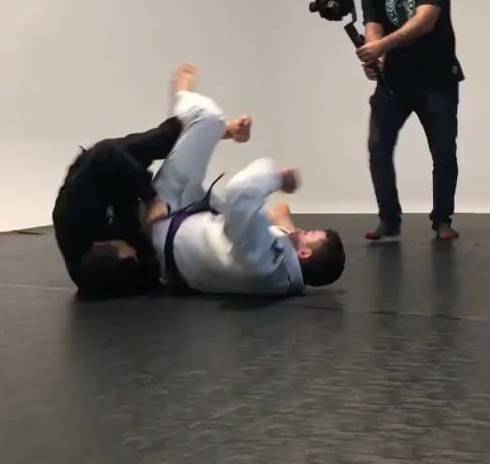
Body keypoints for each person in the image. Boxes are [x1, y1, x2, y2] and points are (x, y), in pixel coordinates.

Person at [52, 69, 253, 298]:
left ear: (108, 245)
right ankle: (211, 129)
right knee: (225, 221)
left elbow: (104, 153)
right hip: (129, 215)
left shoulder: (74, 212)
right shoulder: (112, 276)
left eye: (130, 251)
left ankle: (187, 94)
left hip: (107, 171)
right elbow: (151, 272)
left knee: (176, 133)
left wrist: (151, 199)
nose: (134, 252)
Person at [147, 64, 345, 296]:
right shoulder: (280, 274)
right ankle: (226, 131)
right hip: (190, 217)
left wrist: (280, 177)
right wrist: (285, 226)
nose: (302, 230)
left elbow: (240, 191)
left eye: (308, 234)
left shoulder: (262, 260)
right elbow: (279, 214)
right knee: (210, 131)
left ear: (304, 254)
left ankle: (187, 96)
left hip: (165, 217)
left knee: (207, 117)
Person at [356, 0, 464, 242]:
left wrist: (381, 46)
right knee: (378, 148)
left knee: (443, 152)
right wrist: (374, 54)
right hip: (395, 82)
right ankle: (389, 220)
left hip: (437, 78)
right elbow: (373, 26)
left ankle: (442, 220)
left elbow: (425, 20)